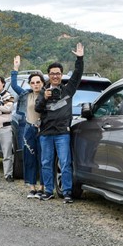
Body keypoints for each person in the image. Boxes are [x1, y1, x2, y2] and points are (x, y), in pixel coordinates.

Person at [35, 43, 84, 203]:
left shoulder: (68, 90)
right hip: (46, 133)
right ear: (48, 75)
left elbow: (77, 75)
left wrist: (80, 59)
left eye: (58, 73)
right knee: (46, 163)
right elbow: (37, 108)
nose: (55, 76)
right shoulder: (43, 91)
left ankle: (67, 192)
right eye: (52, 73)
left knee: (65, 163)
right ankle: (48, 191)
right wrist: (44, 98)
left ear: (61, 75)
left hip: (63, 133)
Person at [10, 55, 45, 198]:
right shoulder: (26, 95)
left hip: (43, 130)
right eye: (33, 82)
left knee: (43, 158)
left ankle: (43, 187)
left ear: (43, 83)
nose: (36, 85)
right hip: (29, 129)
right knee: (29, 157)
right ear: (30, 84)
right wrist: (15, 68)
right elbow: (13, 85)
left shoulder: (47, 95)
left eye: (38, 82)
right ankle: (32, 187)